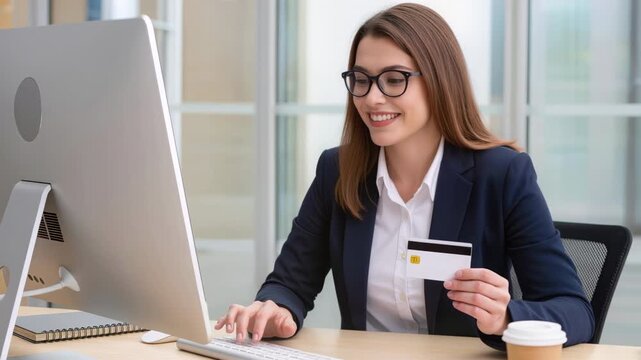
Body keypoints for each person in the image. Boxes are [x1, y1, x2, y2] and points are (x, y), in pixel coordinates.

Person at [215, 2, 594, 350]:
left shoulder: (502, 174)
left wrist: (507, 316)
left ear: (440, 81)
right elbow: (289, 284)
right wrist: (278, 309)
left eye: (394, 79)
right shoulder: (338, 171)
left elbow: (576, 313)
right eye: (361, 80)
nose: (371, 98)